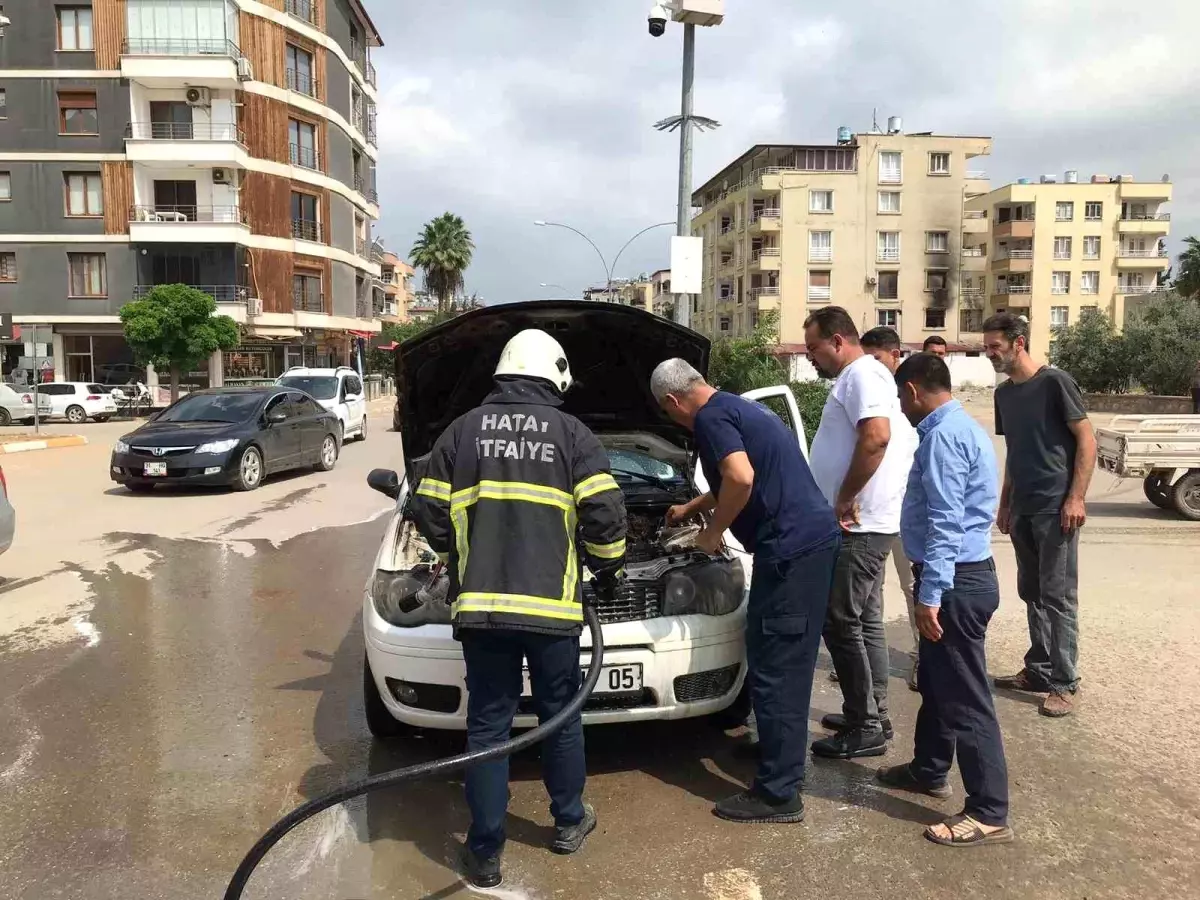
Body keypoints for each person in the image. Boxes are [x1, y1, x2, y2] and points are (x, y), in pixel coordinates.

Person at [410, 329, 627, 889]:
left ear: (504, 373)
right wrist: (607, 567)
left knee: (488, 728)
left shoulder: (462, 432)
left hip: (481, 611)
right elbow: (604, 517)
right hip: (552, 614)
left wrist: (458, 555)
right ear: (553, 376)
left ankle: (484, 853)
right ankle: (568, 823)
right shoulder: (572, 434)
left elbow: (428, 511)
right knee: (559, 718)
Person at [651, 358, 839, 824]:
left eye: (667, 412)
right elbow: (733, 477)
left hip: (792, 551)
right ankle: (778, 751)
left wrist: (712, 533)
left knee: (779, 665)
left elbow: (741, 477)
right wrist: (690, 507)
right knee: (769, 649)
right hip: (806, 544)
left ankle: (779, 794)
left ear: (674, 401)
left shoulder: (711, 419)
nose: (673, 419)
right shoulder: (734, 407)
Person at [876, 352, 1013, 848]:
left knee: (966, 697)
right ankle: (929, 769)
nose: (900, 405)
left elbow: (946, 524)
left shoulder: (944, 438)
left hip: (956, 582)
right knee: (937, 683)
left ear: (913, 390)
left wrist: (929, 595)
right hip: (960, 578)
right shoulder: (959, 428)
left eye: (899, 396)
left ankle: (989, 810)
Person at [805, 308, 917, 759]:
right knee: (862, 621)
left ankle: (865, 724)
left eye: (813, 348)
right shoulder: (863, 376)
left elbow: (876, 437)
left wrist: (844, 496)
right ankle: (868, 713)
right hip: (865, 521)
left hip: (861, 524)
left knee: (840, 620)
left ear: (837, 341)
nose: (811, 357)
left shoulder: (860, 374)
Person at [984, 312, 1095, 718]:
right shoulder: (1004, 395)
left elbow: (1087, 440)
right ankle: (1039, 669)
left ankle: (1065, 683)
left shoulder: (1055, 383)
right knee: (1031, 591)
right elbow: (1016, 450)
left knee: (1058, 595)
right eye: (987, 347)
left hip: (1056, 507)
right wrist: (1006, 502)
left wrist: (1076, 497)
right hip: (1025, 507)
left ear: (1019, 343)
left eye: (995, 346)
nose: (989, 353)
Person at [860, 326, 920, 691]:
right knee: (870, 590)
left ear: (895, 355)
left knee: (913, 586)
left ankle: (923, 658)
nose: (871, 367)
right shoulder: (867, 395)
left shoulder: (911, 396)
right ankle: (867, 659)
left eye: (877, 359)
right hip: (873, 511)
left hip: (907, 510)